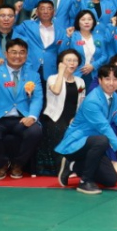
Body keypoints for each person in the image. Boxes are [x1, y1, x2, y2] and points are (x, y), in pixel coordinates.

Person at [55, 65, 117, 195]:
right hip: (76, 144)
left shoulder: (113, 96)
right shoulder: (92, 100)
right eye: (107, 79)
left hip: (94, 144)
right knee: (102, 140)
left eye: (115, 79)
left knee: (110, 180)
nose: (111, 83)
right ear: (100, 80)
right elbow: (104, 128)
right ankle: (85, 182)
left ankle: (72, 165)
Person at [0, 39, 43, 181]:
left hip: (21, 117)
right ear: (6, 54)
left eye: (22, 52)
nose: (17, 56)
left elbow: (37, 98)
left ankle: (18, 164)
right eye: (13, 52)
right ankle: (2, 164)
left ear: (26, 55)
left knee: (35, 132)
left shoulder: (33, 75)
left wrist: (32, 116)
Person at [37, 48, 85, 176]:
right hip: (55, 116)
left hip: (73, 117)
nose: (72, 63)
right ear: (61, 63)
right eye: (68, 60)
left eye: (75, 60)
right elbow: (56, 91)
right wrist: (61, 72)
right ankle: (62, 169)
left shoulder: (80, 81)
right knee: (61, 130)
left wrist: (77, 118)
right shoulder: (53, 78)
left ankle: (76, 166)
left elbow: (81, 103)